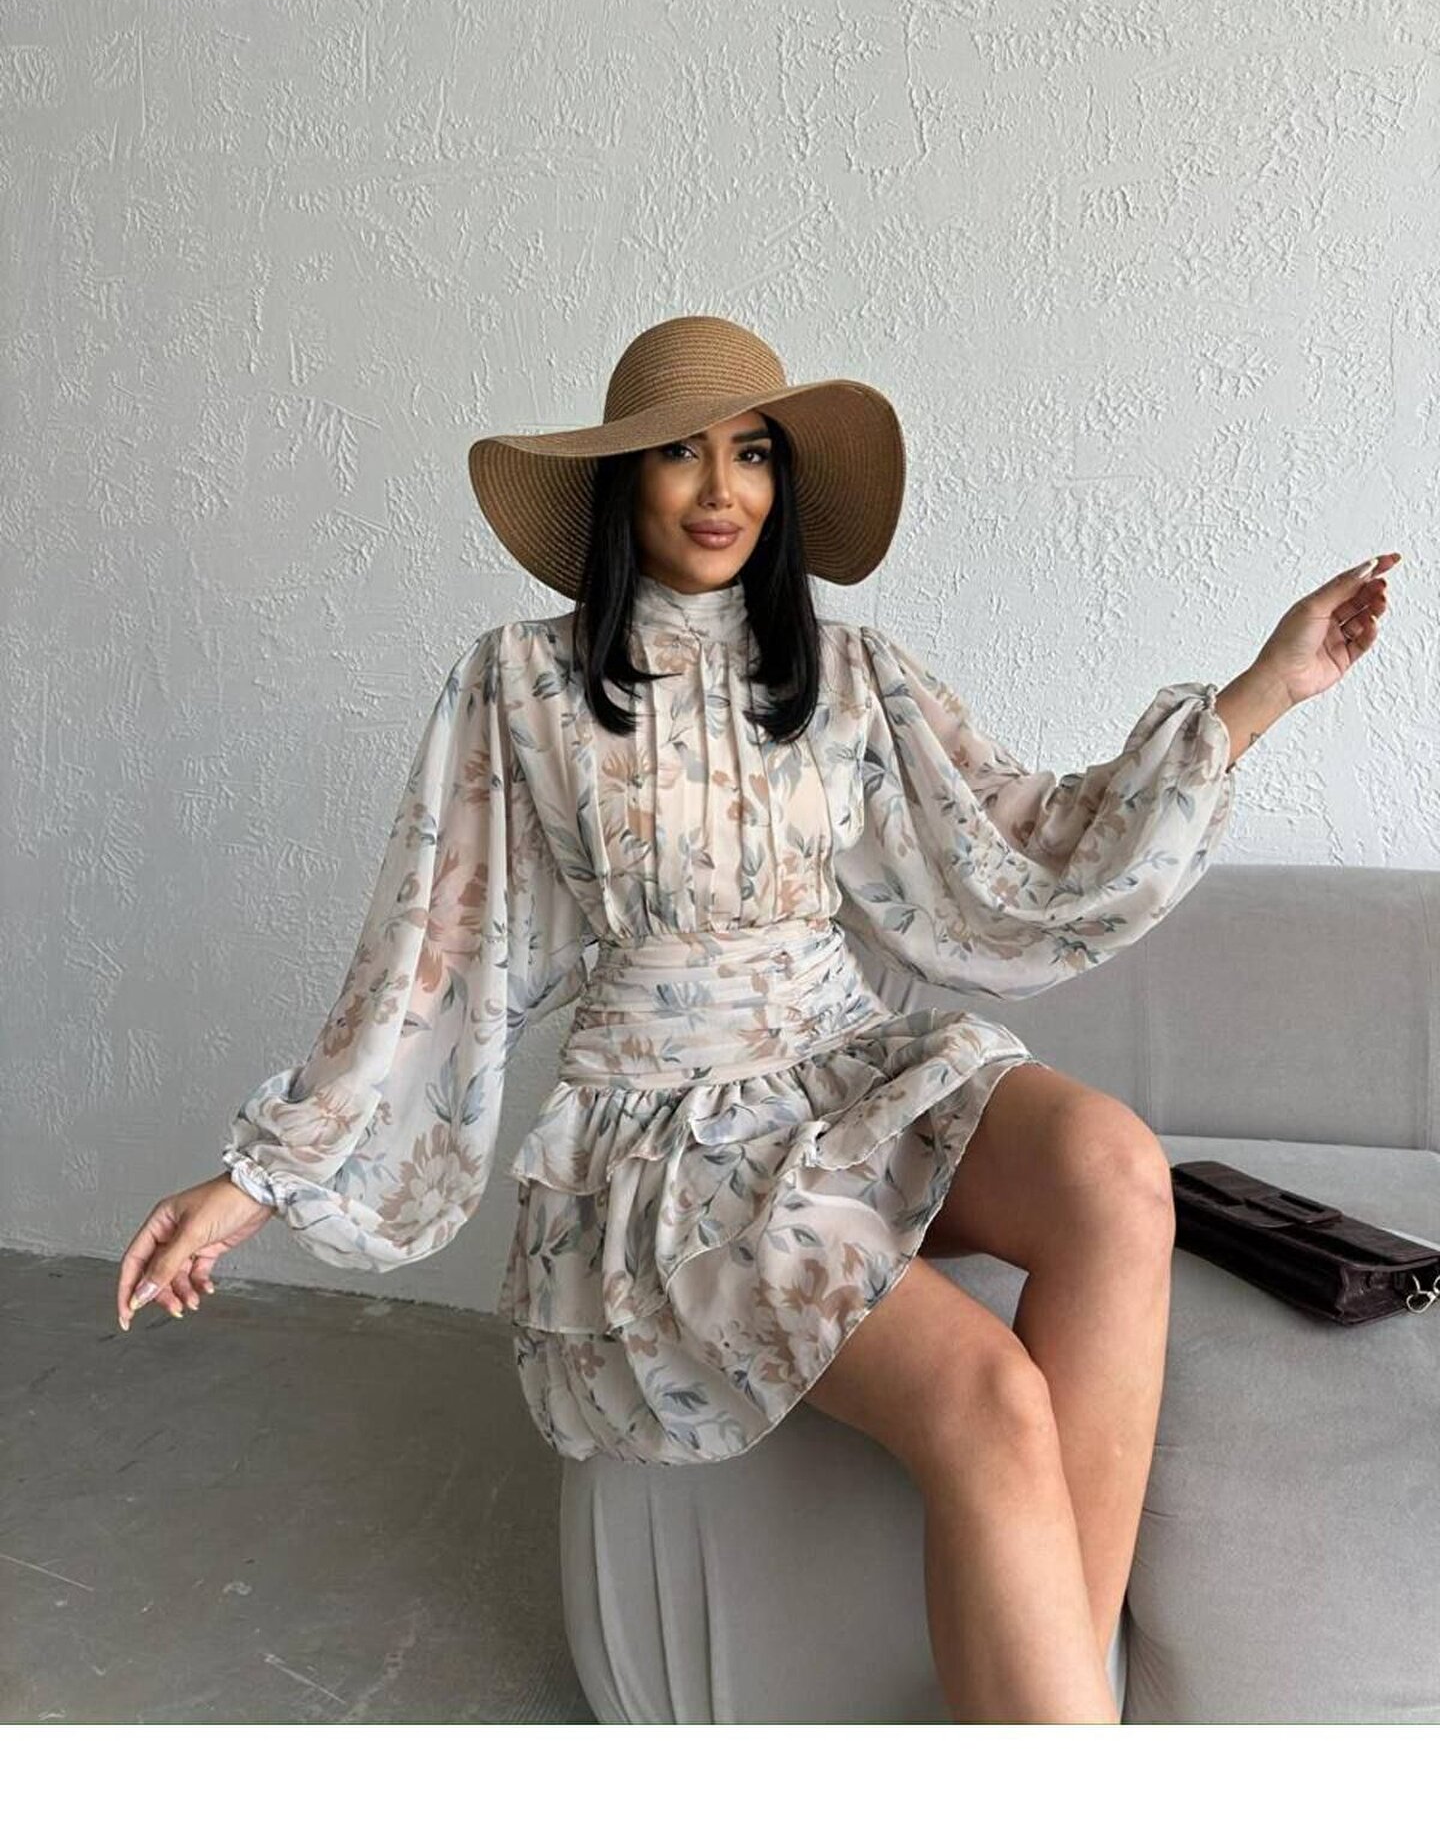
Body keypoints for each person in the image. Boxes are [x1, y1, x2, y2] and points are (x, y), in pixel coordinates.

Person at [116, 313, 1398, 1724]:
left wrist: (1267, 689)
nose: (723, 488)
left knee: (1114, 1168)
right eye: (681, 453)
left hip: (845, 1068)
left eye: (754, 453)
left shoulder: (849, 674)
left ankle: (1042, 1739)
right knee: (988, 1402)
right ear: (622, 483)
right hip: (668, 1135)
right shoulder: (519, 681)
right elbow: (432, 947)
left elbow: (1026, 848)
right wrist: (261, 1179)